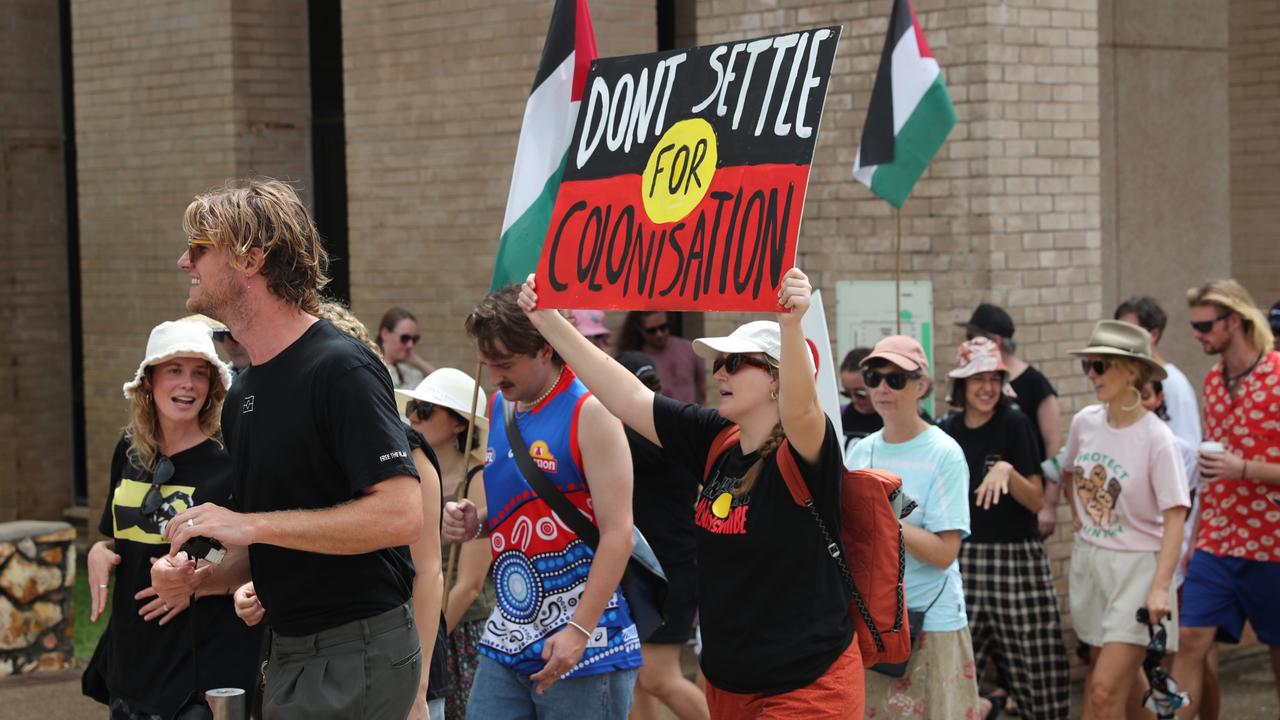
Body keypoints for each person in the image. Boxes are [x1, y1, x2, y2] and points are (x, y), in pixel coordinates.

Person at [516, 269, 861, 719]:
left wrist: (791, 325)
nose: (718, 371)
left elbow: (801, 408)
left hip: (807, 688)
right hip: (728, 687)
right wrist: (547, 321)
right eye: (718, 362)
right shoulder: (718, 439)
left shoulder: (807, 450)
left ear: (777, 378)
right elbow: (629, 398)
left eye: (735, 362)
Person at [159, 178, 426, 720]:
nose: (184, 260)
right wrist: (198, 574)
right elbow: (263, 545)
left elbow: (402, 515)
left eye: (200, 248)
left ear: (251, 259)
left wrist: (250, 526)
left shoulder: (340, 367)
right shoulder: (244, 393)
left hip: (355, 651)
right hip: (291, 651)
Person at [443, 286, 641, 719]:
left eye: (506, 364)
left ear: (546, 349)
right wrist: (476, 523)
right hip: (509, 632)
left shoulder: (592, 412)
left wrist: (578, 629)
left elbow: (617, 532)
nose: (494, 378)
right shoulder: (500, 407)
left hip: (587, 643)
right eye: (488, 364)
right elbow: (519, 510)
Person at [83, 319, 261, 719]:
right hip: (131, 665)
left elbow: (260, 556)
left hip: (201, 671)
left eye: (200, 373)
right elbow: (122, 538)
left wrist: (195, 583)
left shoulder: (230, 458)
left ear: (214, 385)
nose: (188, 384)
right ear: (149, 381)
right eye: (174, 371)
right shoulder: (129, 452)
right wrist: (100, 549)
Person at [845, 335, 979, 720]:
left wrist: (883, 522)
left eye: (896, 379)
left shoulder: (944, 453)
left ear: (921, 386)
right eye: (873, 377)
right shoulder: (861, 451)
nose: (882, 388)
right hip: (876, 619)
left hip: (931, 618)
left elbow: (944, 552)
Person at [938, 337, 1070, 719]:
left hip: (1016, 556)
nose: (987, 388)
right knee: (960, 660)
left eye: (995, 378)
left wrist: (1007, 471)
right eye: (977, 378)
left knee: (1035, 657)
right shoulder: (947, 429)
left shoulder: (1015, 423)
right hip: (964, 556)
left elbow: (1035, 500)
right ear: (961, 384)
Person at [1063, 320, 1189, 720]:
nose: (1092, 375)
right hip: (1091, 563)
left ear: (1133, 370)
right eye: (1089, 366)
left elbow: (1175, 519)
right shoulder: (1084, 422)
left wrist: (1159, 588)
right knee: (1117, 685)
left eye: (1101, 365)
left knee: (1102, 691)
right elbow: (1069, 472)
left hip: (1137, 570)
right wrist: (1078, 519)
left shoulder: (1157, 439)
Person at [1173, 280, 1280, 719]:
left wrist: (1245, 469)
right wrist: (1194, 540)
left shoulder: (1278, 374)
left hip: (1273, 543)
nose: (1197, 335)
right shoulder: (1213, 382)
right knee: (1190, 639)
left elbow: (1234, 468)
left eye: (1203, 326)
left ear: (1234, 321)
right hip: (1218, 541)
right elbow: (1213, 475)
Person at [611, 352, 708, 720]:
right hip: (646, 567)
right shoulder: (662, 425)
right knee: (635, 672)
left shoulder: (645, 435)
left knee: (657, 676)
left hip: (673, 568)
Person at [396, 367, 493, 720]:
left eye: (425, 410)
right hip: (425, 623)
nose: (413, 417)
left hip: (461, 630)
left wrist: (430, 640)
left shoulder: (478, 479)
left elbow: (470, 584)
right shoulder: (412, 473)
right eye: (412, 408)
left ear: (458, 424)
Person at [959, 303, 1063, 540]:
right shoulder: (960, 408)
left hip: (1020, 508)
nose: (987, 387)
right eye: (978, 379)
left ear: (995, 341)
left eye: (972, 337)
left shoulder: (1035, 384)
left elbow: (1054, 446)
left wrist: (1049, 504)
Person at [1114, 297, 1200, 448]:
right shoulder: (1119, 377)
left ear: (1153, 334)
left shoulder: (1175, 383)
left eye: (1130, 332)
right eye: (1119, 333)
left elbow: (1188, 448)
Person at [618, 311, 707, 404]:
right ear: (640, 330)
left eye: (663, 327)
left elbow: (705, 389)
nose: (659, 334)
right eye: (651, 331)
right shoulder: (635, 360)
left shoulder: (689, 348)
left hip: (688, 416)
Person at [378, 307, 437, 388]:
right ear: (385, 334)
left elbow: (441, 384)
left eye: (414, 339)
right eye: (405, 338)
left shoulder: (409, 373)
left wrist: (416, 361)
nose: (410, 345)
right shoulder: (373, 368)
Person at [839, 347, 882, 449]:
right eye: (847, 393)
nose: (853, 399)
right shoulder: (839, 415)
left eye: (860, 393)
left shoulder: (896, 420)